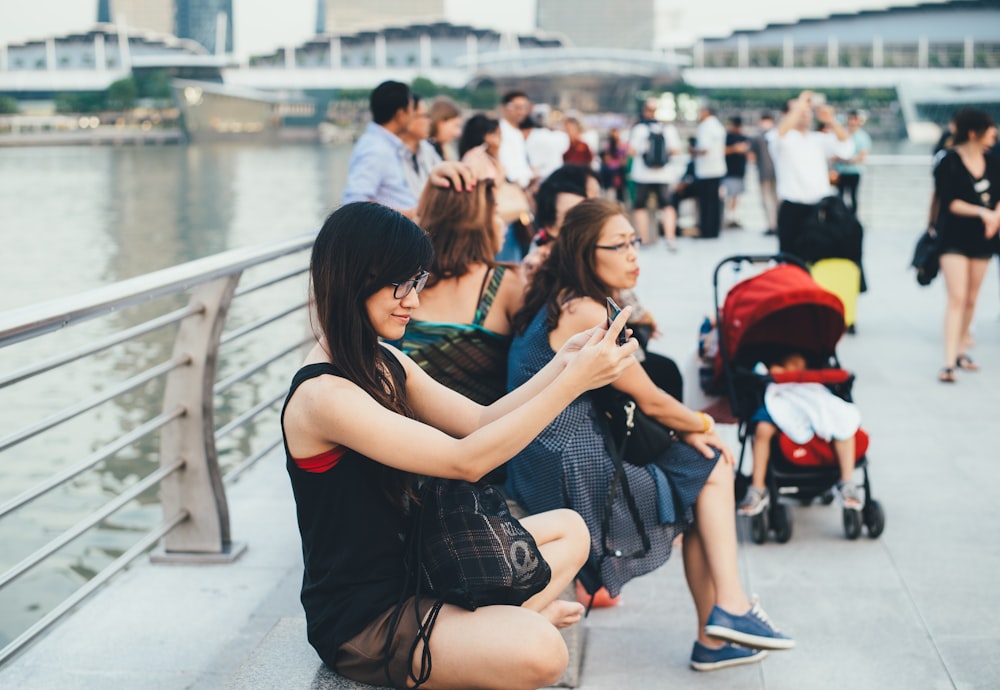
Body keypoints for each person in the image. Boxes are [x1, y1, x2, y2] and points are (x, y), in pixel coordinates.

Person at [282, 201, 640, 689]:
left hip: (424, 576)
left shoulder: (383, 359)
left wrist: (562, 362)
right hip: (367, 619)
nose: (413, 300)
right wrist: (574, 384)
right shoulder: (324, 395)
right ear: (353, 279)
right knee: (543, 653)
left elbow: (477, 421)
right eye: (401, 284)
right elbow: (466, 460)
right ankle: (520, 625)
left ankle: (508, 626)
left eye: (417, 282)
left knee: (571, 530)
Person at [508, 198, 795, 672]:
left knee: (701, 473)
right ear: (585, 252)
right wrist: (707, 426)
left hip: (548, 454)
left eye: (634, 241)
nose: (633, 254)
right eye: (618, 245)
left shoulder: (563, 295)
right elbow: (652, 399)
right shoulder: (585, 311)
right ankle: (728, 614)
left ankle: (719, 631)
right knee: (712, 465)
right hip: (567, 466)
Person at [394, 179, 526, 406]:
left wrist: (432, 185)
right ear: (474, 223)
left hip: (416, 432)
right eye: (495, 213)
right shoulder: (505, 284)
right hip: (490, 433)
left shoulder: (408, 282)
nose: (502, 224)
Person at [737, 351, 864, 516]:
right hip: (782, 398)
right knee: (762, 428)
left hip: (812, 394)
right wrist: (774, 372)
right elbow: (758, 371)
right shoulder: (773, 370)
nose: (795, 368)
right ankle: (757, 487)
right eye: (791, 364)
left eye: (799, 365)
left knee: (842, 422)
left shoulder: (814, 372)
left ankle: (847, 482)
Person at [933, 108, 999, 383]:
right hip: (954, 236)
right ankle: (948, 361)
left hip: (984, 236)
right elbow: (948, 201)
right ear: (973, 133)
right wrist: (983, 213)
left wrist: (995, 215)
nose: (994, 136)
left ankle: (961, 351)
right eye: (989, 132)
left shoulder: (994, 160)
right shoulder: (947, 160)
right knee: (957, 297)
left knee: (972, 297)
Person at [771, 91, 853, 255]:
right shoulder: (778, 137)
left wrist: (831, 120)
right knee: (789, 256)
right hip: (792, 206)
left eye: (807, 111)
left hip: (818, 206)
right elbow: (781, 134)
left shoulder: (818, 139)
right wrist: (800, 104)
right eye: (799, 111)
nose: (804, 113)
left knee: (818, 253)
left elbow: (846, 148)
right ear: (786, 115)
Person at [341, 81, 419, 214]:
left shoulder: (386, 145)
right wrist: (409, 215)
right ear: (400, 114)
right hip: (395, 231)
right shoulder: (375, 148)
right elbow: (356, 202)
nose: (413, 116)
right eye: (412, 110)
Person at [628, 98, 683, 248]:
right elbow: (676, 150)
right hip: (664, 175)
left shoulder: (639, 129)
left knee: (640, 206)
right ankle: (670, 238)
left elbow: (631, 151)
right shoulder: (668, 129)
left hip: (642, 175)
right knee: (667, 205)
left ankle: (644, 239)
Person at [691, 106, 727, 239]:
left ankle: (706, 231)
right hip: (717, 169)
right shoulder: (718, 126)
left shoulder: (705, 127)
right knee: (715, 203)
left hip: (706, 170)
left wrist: (692, 151)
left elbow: (704, 149)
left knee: (706, 203)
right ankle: (714, 231)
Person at [399, 94, 443, 200]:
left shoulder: (427, 149)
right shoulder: (388, 154)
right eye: (425, 116)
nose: (430, 122)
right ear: (408, 116)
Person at [833, 110, 872, 215]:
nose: (852, 122)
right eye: (850, 119)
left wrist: (844, 160)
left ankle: (852, 219)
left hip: (855, 172)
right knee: (839, 197)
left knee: (853, 196)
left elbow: (862, 157)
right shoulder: (841, 134)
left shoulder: (863, 137)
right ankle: (839, 218)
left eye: (854, 119)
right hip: (840, 172)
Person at [497, 91, 535, 189]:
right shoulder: (498, 131)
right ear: (504, 108)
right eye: (517, 107)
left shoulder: (518, 132)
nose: (521, 112)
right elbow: (504, 164)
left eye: (525, 108)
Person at [751, 113, 780, 236]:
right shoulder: (779, 134)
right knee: (776, 200)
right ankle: (776, 224)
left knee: (769, 199)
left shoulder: (757, 137)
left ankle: (772, 225)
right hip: (777, 172)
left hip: (765, 172)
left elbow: (752, 157)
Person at [723, 115, 751, 229]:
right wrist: (735, 148)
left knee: (735, 196)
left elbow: (749, 152)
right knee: (727, 195)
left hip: (740, 171)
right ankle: (726, 217)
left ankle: (732, 217)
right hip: (728, 171)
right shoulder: (727, 137)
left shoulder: (743, 137)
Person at [459, 114, 505, 182]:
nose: (500, 138)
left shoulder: (488, 156)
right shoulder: (475, 157)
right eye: (497, 134)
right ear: (485, 135)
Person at [428, 96, 463, 160]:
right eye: (455, 126)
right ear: (441, 122)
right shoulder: (427, 149)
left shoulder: (444, 148)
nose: (458, 133)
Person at [599, 127, 628, 203]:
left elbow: (625, 159)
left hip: (619, 171)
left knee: (619, 192)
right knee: (610, 191)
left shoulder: (622, 144)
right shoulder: (608, 144)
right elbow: (605, 158)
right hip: (610, 172)